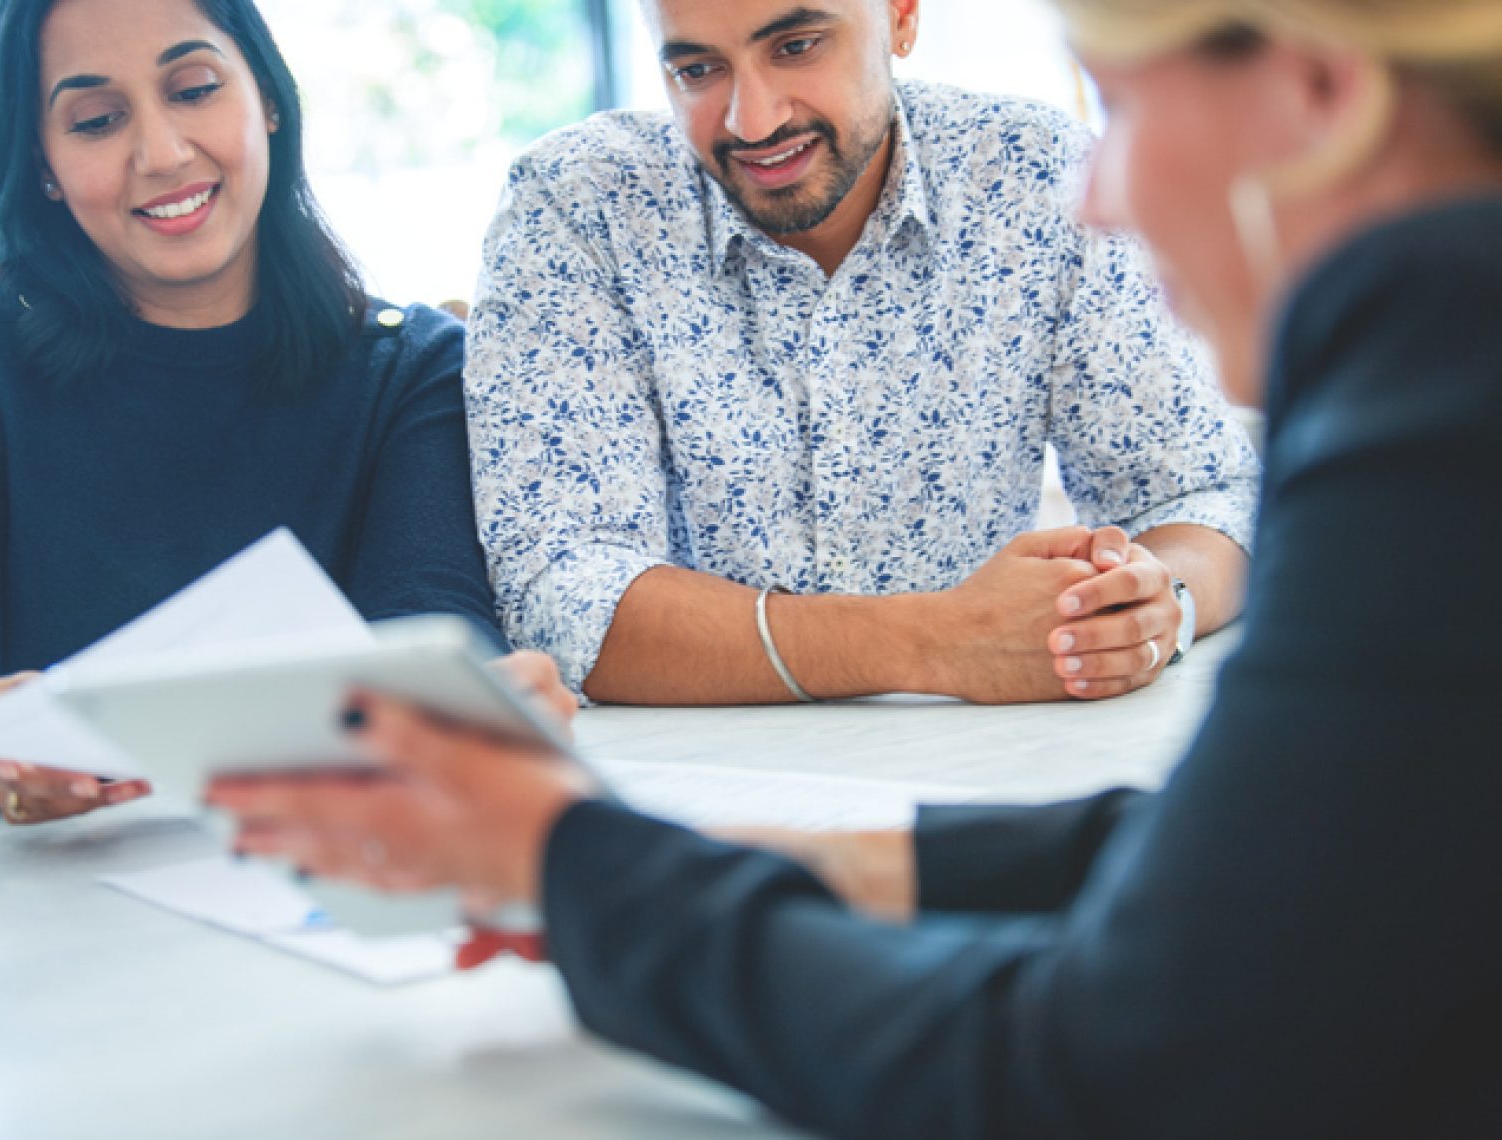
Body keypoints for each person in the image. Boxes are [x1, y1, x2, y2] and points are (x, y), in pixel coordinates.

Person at [211, 0, 1502, 1133]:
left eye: (1117, 109)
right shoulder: (1442, 366)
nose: (1097, 192)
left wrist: (578, 869)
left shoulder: (1432, 406)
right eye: (694, 65)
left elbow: (1085, 1067)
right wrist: (721, 856)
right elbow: (1241, 864)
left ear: (1322, 90)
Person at [466, 0, 1259, 708]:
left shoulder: (1034, 174)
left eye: (798, 45)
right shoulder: (575, 205)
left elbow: (1203, 492)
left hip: (994, 770)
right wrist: (935, 641)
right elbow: (561, 593)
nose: (752, 119)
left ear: (903, 17)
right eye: (698, 69)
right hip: (692, 786)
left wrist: (1157, 603)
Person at [0, 0, 510, 824]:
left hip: (323, 887)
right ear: (44, 163)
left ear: (266, 95)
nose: (161, 153)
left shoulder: (411, 371)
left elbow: (431, 656)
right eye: (97, 119)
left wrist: (480, 703)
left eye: (193, 89)